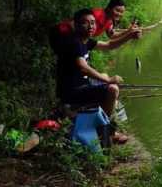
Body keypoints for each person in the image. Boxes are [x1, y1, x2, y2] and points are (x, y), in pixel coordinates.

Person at [54, 9, 141, 143]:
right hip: (71, 93)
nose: (91, 26)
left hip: (81, 86)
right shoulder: (74, 43)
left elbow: (109, 45)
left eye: (93, 23)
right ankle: (105, 132)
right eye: (86, 23)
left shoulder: (85, 41)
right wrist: (108, 80)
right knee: (113, 89)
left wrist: (129, 36)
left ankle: (102, 124)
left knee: (106, 80)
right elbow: (83, 67)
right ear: (76, 25)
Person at [52, 0, 132, 42]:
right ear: (109, 8)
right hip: (61, 33)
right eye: (117, 10)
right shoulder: (96, 14)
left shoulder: (109, 21)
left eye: (122, 12)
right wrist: (79, 43)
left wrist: (128, 31)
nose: (119, 14)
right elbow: (73, 23)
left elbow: (112, 35)